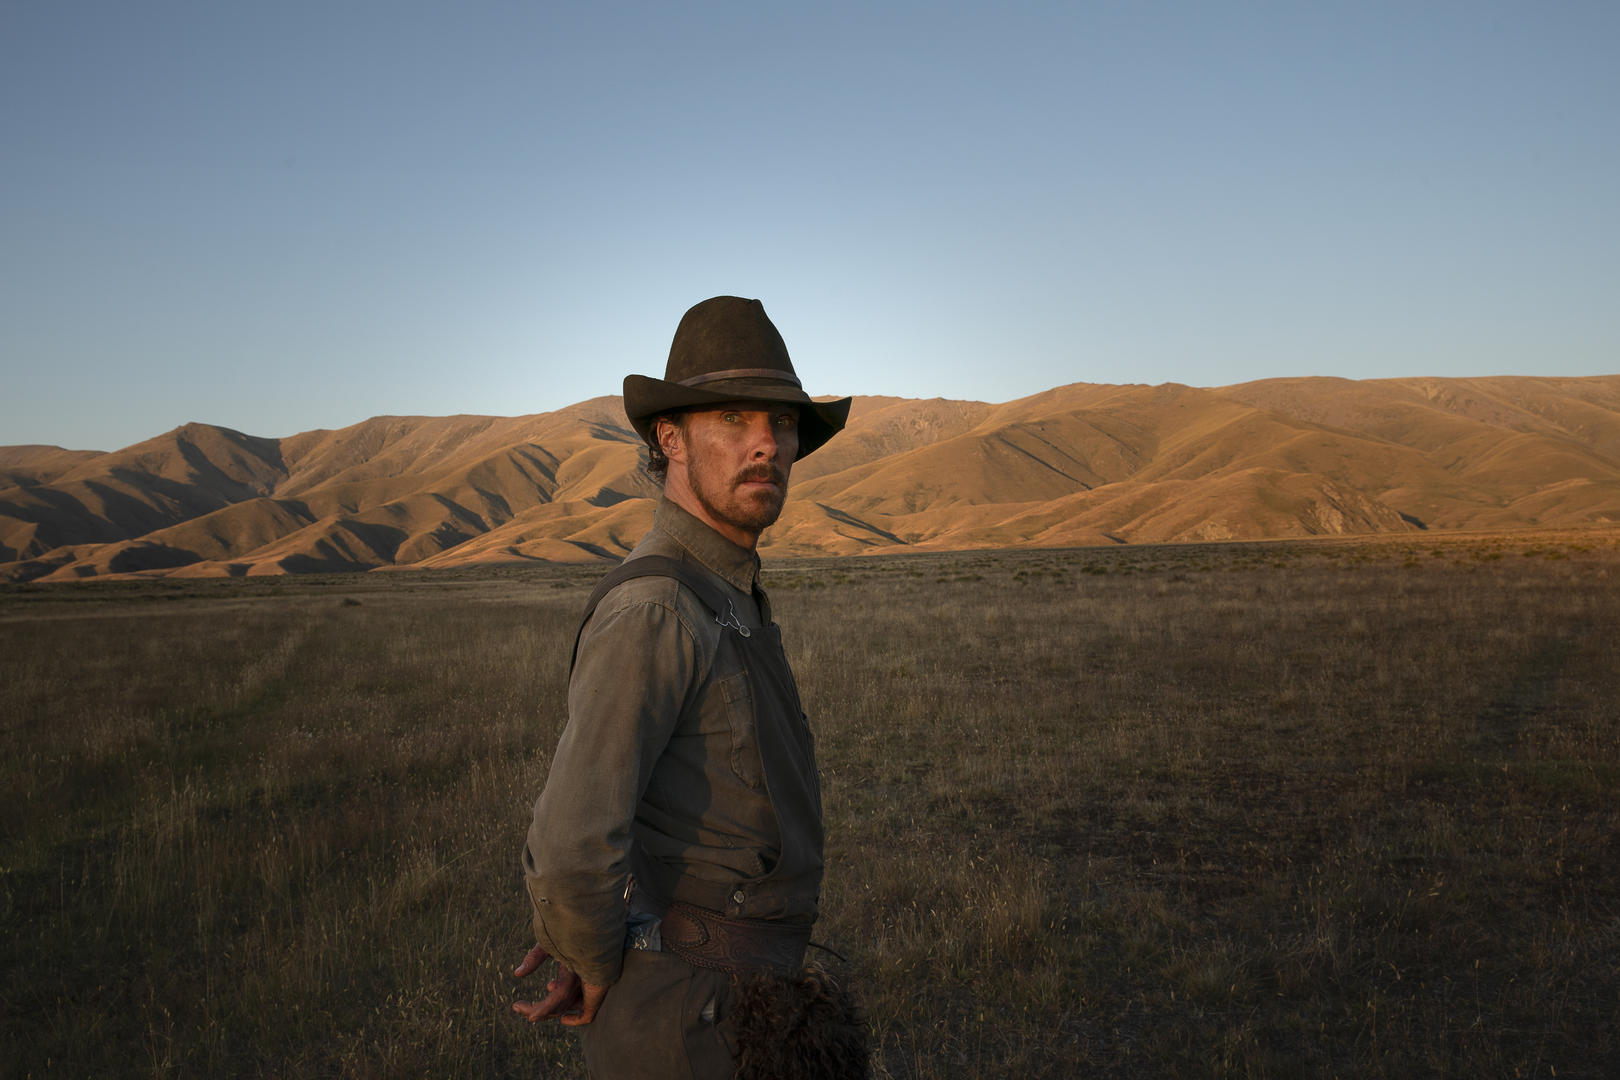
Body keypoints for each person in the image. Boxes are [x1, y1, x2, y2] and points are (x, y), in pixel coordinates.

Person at [512, 296, 858, 1079]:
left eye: (783, 423)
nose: (766, 444)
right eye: (734, 420)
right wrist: (595, 958)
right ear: (670, 438)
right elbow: (571, 844)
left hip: (740, 1006)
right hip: (686, 1029)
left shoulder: (725, 590)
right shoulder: (658, 607)